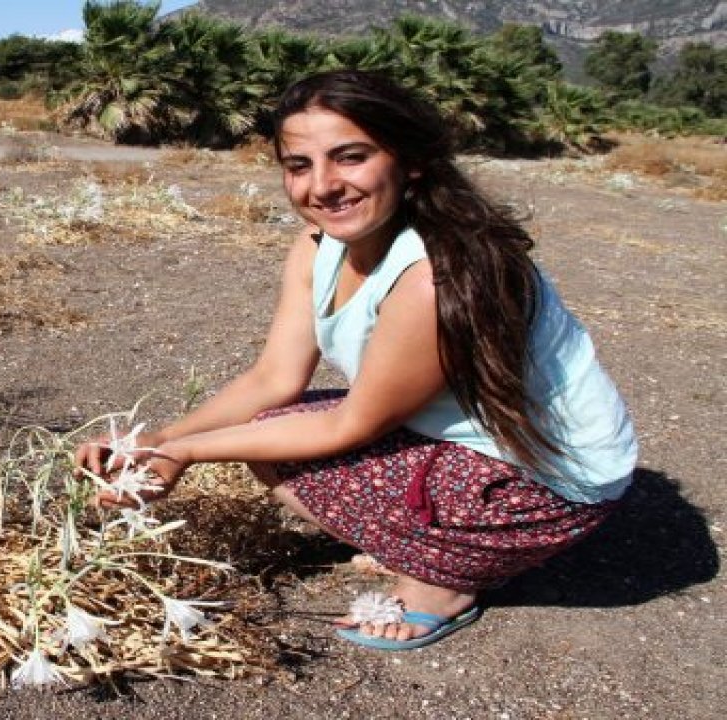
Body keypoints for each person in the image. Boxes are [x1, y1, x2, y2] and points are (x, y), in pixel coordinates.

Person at [75, 69, 637, 651]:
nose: (322, 186)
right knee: (269, 429)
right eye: (299, 166)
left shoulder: (437, 277)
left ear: (410, 160)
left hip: (549, 487)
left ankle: (443, 584)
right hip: (479, 443)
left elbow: (353, 425)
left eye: (350, 157)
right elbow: (274, 378)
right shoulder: (318, 247)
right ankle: (423, 542)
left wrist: (185, 453)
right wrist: (155, 439)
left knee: (277, 442)